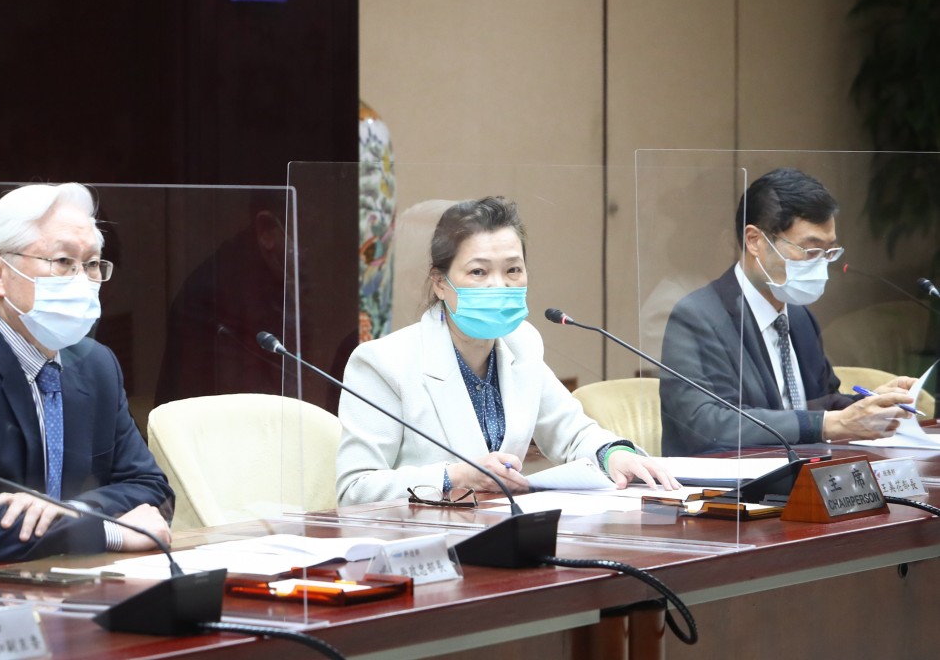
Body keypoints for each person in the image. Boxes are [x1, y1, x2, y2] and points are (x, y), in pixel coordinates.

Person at [336, 196, 678, 506]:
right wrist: (454, 476)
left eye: (513, 270)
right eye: (479, 272)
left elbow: (571, 432)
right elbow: (355, 489)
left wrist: (614, 455)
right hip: (422, 545)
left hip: (502, 531)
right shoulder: (383, 363)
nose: (499, 285)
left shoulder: (522, 342)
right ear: (440, 283)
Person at [0, 183, 175, 568]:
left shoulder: (97, 365)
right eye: (63, 262)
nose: (83, 279)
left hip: (78, 584)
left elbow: (152, 489)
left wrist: (69, 510)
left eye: (91, 264)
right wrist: (106, 530)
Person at [660, 168, 915, 456]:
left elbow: (819, 404)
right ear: (755, 241)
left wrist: (870, 405)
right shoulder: (699, 317)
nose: (820, 265)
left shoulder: (798, 316)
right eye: (809, 251)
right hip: (728, 490)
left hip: (802, 477)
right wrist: (831, 423)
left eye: (829, 252)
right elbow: (708, 424)